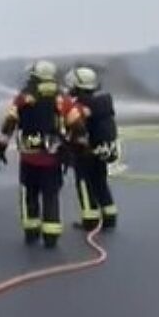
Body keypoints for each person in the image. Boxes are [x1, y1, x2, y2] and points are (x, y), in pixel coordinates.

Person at [0, 60, 84, 248]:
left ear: (35, 76)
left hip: (29, 158)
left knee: (29, 193)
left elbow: (9, 123)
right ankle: (51, 236)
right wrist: (74, 147)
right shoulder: (62, 99)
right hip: (53, 158)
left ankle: (31, 231)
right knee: (51, 195)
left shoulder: (23, 98)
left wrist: (0, 146)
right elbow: (77, 126)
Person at [64, 66, 120, 230]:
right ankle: (110, 216)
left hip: (86, 152)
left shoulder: (82, 106)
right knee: (100, 183)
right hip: (102, 150)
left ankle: (90, 220)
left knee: (84, 184)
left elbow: (74, 126)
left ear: (78, 86)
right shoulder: (102, 103)